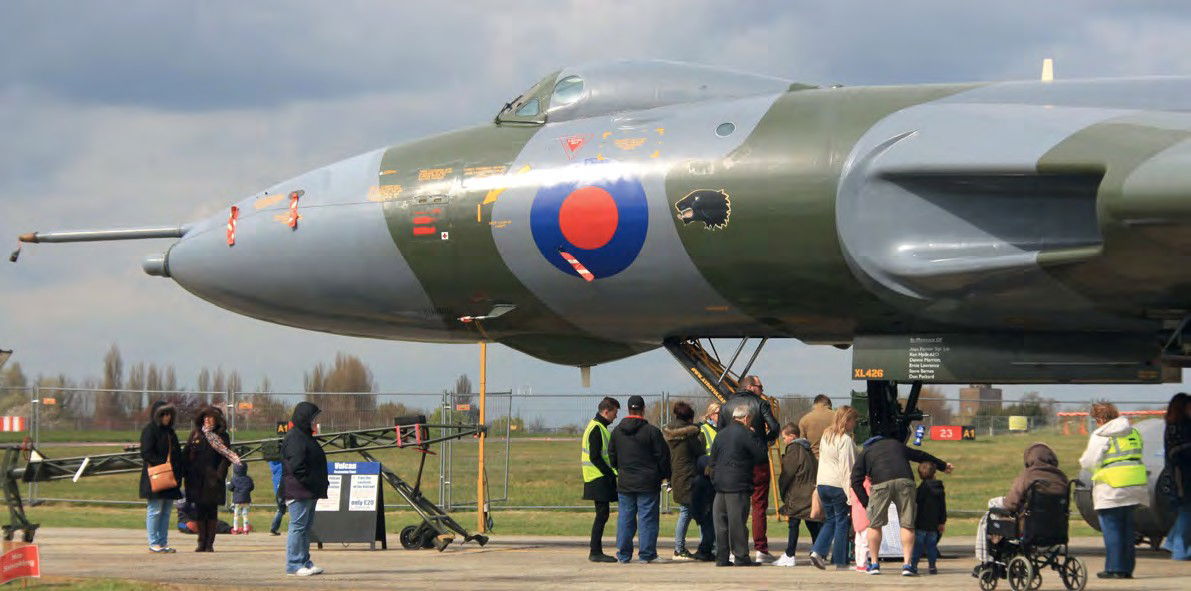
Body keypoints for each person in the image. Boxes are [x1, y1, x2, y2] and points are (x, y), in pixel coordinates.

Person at [850, 432, 952, 576]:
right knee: (907, 524)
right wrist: (942, 465)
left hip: (880, 483)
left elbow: (855, 479)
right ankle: (907, 565)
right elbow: (921, 455)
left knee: (874, 525)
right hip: (905, 481)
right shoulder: (897, 445)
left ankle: (874, 564)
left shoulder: (866, 451)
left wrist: (866, 502)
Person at [973, 442, 1069, 573]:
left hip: (1028, 527)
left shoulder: (1028, 475)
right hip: (1057, 529)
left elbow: (1011, 504)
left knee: (989, 516)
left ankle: (988, 561)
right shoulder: (1062, 477)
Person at [1079, 402, 1148, 579]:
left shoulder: (1102, 434)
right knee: (1127, 528)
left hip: (1112, 487)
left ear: (1100, 419)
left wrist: (1097, 470)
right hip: (1135, 486)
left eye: (1095, 420)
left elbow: (1088, 461)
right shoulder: (1133, 431)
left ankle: (1114, 569)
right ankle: (1127, 569)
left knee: (1112, 529)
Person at [718, 375, 780, 563]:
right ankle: (760, 548)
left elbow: (720, 432)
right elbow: (775, 427)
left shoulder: (726, 405)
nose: (762, 389)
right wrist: (765, 441)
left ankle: (732, 548)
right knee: (759, 505)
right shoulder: (761, 404)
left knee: (733, 506)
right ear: (751, 387)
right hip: (757, 460)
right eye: (760, 386)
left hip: (734, 462)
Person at [608, 395, 670, 564]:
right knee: (647, 518)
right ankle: (647, 554)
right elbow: (663, 457)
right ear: (643, 410)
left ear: (628, 410)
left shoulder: (616, 432)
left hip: (625, 481)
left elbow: (612, 456)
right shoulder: (652, 432)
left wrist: (621, 469)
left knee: (625, 518)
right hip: (648, 482)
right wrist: (664, 475)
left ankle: (623, 554)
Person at [711, 405, 767, 566]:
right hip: (738, 483)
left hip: (720, 484)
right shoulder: (746, 434)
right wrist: (755, 436)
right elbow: (761, 455)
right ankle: (741, 556)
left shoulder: (721, 434)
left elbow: (713, 459)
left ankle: (721, 557)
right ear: (746, 418)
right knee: (737, 523)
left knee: (721, 523)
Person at [184, 405, 240, 552]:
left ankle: (209, 543)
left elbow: (226, 457)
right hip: (197, 479)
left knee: (211, 511)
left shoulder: (222, 436)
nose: (207, 420)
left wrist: (219, 476)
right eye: (205, 417)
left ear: (216, 419)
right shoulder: (196, 434)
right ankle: (201, 542)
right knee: (200, 511)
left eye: (210, 417)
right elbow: (187, 454)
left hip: (213, 480)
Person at [282, 402, 329, 576]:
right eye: (313, 419)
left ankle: (304, 561)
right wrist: (311, 482)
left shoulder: (306, 436)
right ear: (305, 419)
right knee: (298, 527)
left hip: (308, 491)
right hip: (299, 490)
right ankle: (294, 564)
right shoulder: (295, 437)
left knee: (305, 528)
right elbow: (297, 466)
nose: (316, 422)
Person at [810, 405, 858, 570]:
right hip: (838, 486)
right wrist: (850, 495)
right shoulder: (846, 441)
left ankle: (817, 551)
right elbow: (848, 469)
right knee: (842, 522)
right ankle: (840, 561)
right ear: (848, 420)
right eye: (854, 420)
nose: (855, 424)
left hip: (823, 483)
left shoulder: (826, 436)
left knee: (830, 520)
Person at [139, 399, 184, 553]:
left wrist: (178, 473)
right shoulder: (150, 430)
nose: (167, 417)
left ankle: (163, 542)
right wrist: (164, 465)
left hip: (171, 478)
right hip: (156, 477)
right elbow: (146, 453)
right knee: (155, 510)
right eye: (163, 414)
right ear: (157, 415)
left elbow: (177, 454)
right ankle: (153, 542)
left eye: (169, 414)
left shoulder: (170, 432)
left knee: (165, 512)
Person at [664, 400, 706, 560]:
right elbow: (700, 453)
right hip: (689, 476)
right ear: (689, 418)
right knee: (693, 511)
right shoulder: (690, 436)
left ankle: (683, 547)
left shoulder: (669, 435)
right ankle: (681, 548)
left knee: (688, 511)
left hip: (676, 476)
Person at [581, 396, 620, 562]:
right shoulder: (596, 428)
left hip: (598, 478)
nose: (616, 416)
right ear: (606, 411)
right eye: (614, 413)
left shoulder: (599, 426)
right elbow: (596, 457)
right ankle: (595, 551)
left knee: (602, 515)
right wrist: (611, 473)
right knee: (602, 515)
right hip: (597, 478)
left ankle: (596, 550)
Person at [775, 423, 817, 567]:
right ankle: (816, 552)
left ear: (792, 436)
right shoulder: (808, 449)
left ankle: (789, 554)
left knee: (793, 523)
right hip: (809, 491)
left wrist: (783, 489)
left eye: (785, 437)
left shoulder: (794, 448)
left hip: (797, 492)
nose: (784, 441)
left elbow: (788, 473)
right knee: (812, 523)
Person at [1161, 393, 1191, 560]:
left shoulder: (1180, 425)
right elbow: (1176, 453)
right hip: (1181, 477)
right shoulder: (1178, 427)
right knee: (1186, 511)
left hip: (1183, 475)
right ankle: (1179, 550)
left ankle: (1172, 542)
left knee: (1186, 513)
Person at [911, 462, 946, 575]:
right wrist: (942, 521)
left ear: (920, 475)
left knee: (918, 547)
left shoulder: (921, 489)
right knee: (932, 547)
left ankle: (914, 566)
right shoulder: (939, 488)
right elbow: (942, 506)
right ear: (934, 473)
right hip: (934, 523)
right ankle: (932, 566)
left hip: (921, 523)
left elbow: (915, 504)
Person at [689, 454, 717, 561]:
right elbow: (695, 500)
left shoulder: (708, 480)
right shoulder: (700, 481)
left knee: (709, 533)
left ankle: (706, 550)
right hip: (704, 511)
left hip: (707, 510)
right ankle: (704, 551)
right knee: (708, 533)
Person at [228, 462, 255, 534]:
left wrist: (228, 485)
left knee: (236, 515)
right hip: (246, 500)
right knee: (245, 515)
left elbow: (230, 488)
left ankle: (235, 529)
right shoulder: (248, 479)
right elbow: (252, 487)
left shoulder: (234, 479)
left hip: (237, 501)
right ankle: (246, 529)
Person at [268, 459, 286, 535]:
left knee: (280, 510)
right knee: (282, 510)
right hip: (285, 488)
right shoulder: (284, 465)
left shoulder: (274, 467)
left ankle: (273, 529)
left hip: (278, 490)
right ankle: (273, 529)